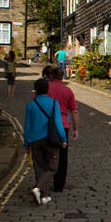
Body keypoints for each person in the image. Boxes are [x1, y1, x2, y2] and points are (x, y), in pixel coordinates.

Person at [23, 77, 67, 206]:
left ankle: (44, 196)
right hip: (50, 140)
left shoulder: (30, 105)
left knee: (39, 168)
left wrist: (26, 143)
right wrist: (63, 139)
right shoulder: (54, 103)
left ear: (35, 90)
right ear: (47, 90)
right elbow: (58, 124)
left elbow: (27, 126)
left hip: (35, 140)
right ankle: (38, 188)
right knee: (52, 167)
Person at [45, 63, 79, 192]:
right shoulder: (67, 91)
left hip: (46, 125)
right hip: (63, 127)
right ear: (62, 76)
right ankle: (59, 185)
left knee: (46, 154)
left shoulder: (45, 87)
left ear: (52, 76)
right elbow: (74, 111)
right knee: (62, 157)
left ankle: (44, 183)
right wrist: (75, 129)